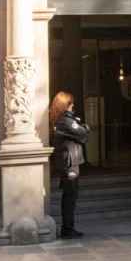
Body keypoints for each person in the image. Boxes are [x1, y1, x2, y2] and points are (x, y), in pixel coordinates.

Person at [50, 91, 90, 239]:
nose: (73, 106)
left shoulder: (62, 120)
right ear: (66, 105)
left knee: (70, 196)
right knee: (70, 197)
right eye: (71, 103)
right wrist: (85, 127)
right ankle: (67, 229)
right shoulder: (66, 121)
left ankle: (68, 228)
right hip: (70, 164)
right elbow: (82, 133)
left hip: (69, 162)